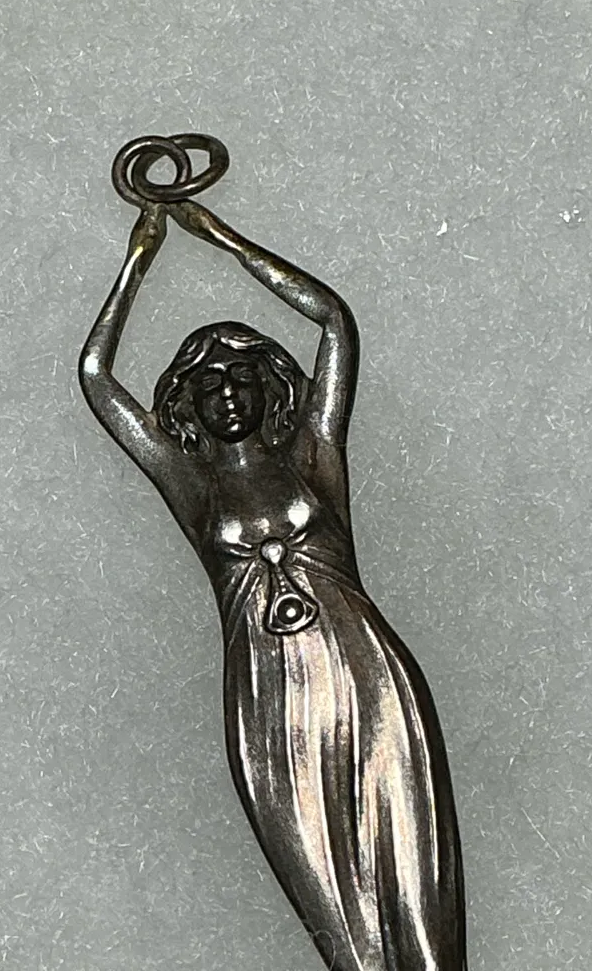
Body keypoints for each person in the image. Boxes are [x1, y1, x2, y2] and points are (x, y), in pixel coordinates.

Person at [79, 185, 466, 971]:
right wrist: (139, 256)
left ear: (269, 386)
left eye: (240, 378)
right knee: (336, 913)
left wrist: (220, 235)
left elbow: (333, 323)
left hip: (364, 671)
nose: (226, 394)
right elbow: (96, 376)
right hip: (266, 694)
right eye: (208, 386)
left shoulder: (314, 455)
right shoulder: (191, 486)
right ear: (186, 403)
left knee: (414, 887)